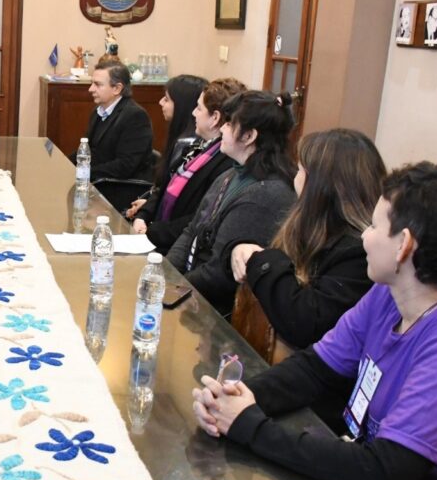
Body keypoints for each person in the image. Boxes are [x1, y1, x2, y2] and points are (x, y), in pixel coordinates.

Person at [192, 162, 437, 480]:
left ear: (404, 246)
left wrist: (248, 426)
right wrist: (235, 398)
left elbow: (386, 469)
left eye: (374, 226)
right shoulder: (388, 296)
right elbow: (315, 369)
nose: (363, 237)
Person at [229, 129, 386, 352]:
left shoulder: (359, 253)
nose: (295, 176)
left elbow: (303, 321)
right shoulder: (309, 227)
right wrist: (239, 248)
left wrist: (261, 259)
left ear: (319, 186)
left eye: (300, 169)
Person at [166, 90, 296, 317]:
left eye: (229, 123)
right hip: (189, 291)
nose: (223, 129)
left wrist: (172, 291)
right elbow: (191, 231)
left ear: (248, 137)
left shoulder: (267, 195)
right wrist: (164, 273)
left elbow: (218, 274)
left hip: (215, 313)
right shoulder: (232, 173)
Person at [131, 78, 246, 254]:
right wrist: (144, 215)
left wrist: (152, 232)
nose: (193, 113)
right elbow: (165, 187)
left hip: (175, 246)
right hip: (157, 235)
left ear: (215, 117)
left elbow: (200, 216)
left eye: (199, 108)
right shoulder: (199, 146)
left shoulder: (226, 162)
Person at [68, 60, 153, 211]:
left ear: (117, 88)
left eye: (97, 84)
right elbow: (89, 150)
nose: (90, 89)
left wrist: (84, 173)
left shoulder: (135, 116)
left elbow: (125, 166)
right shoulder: (98, 111)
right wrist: (66, 165)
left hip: (118, 188)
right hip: (97, 181)